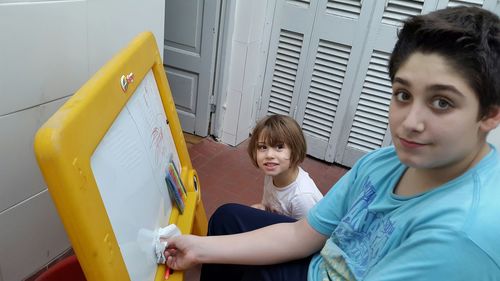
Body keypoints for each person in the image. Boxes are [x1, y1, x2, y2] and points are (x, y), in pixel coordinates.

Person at [163, 6, 500, 280]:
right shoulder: (382, 162)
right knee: (226, 221)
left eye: (442, 102)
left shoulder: (459, 238)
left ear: (490, 115)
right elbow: (301, 235)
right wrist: (199, 249)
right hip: (321, 264)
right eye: (403, 94)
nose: (410, 123)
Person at [247, 114, 323, 219]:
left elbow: (305, 234)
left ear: (295, 150)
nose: (269, 155)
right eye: (263, 147)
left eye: (279, 147)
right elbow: (268, 205)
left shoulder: (302, 197)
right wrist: (262, 208)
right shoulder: (273, 173)